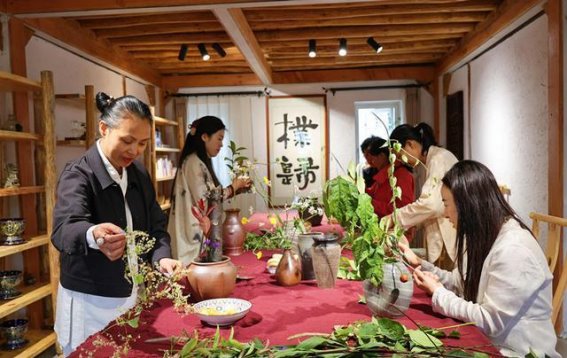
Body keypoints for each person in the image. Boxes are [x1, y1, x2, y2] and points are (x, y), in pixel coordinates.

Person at [51, 92, 181, 356]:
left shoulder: (138, 173)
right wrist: (94, 234)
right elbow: (64, 228)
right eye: (127, 140)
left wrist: (162, 258)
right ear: (104, 129)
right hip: (89, 301)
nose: (134, 151)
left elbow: (156, 224)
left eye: (143, 143)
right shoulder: (79, 173)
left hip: (129, 294)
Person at [399, 160, 559, 357]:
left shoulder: (514, 249)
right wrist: (421, 265)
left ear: (468, 204)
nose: (445, 213)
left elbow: (490, 321)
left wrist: (439, 293)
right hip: (489, 342)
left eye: (446, 204)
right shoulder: (483, 234)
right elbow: (460, 283)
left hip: (516, 352)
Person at [169, 115, 251, 265]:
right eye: (219, 139)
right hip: (192, 236)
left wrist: (237, 189)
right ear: (205, 137)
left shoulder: (197, 161)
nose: (221, 144)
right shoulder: (194, 162)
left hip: (195, 232)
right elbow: (207, 199)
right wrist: (234, 187)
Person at [388, 123, 458, 269]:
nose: (401, 161)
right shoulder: (432, 160)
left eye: (400, 155)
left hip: (448, 237)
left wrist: (396, 218)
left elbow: (432, 205)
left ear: (410, 144)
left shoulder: (438, 158)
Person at [360, 135, 414, 218]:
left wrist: (370, 203)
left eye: (373, 158)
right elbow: (373, 193)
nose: (371, 162)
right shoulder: (384, 173)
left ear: (382, 156)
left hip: (396, 227)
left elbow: (403, 209)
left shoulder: (401, 174)